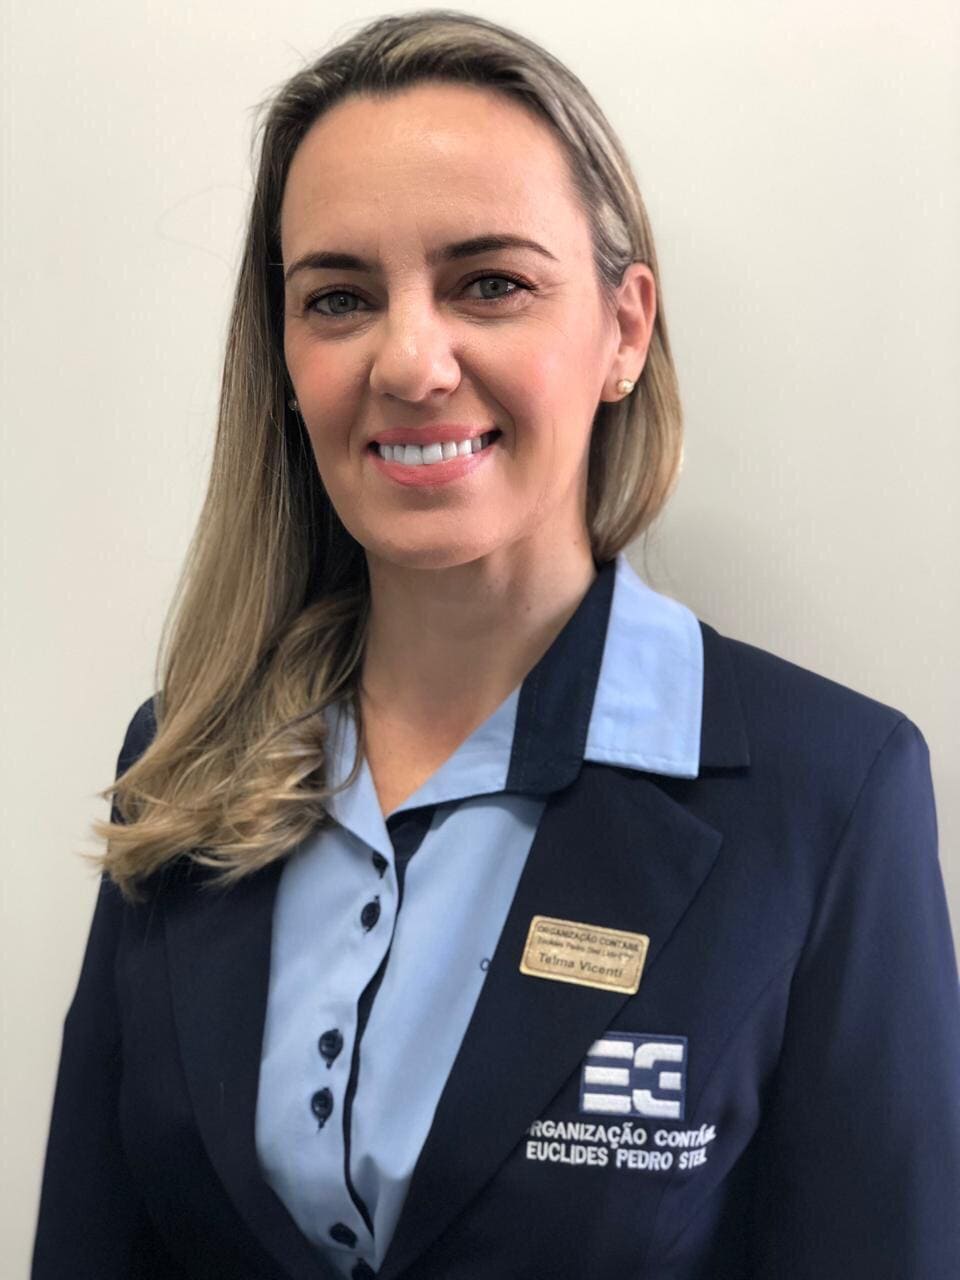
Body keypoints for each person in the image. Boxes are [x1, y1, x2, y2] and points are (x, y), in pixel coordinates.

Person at [31, 9, 960, 1280]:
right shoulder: (185, 758)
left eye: (490, 284)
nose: (411, 361)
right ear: (286, 356)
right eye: (340, 298)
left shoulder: (829, 793)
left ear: (624, 330)